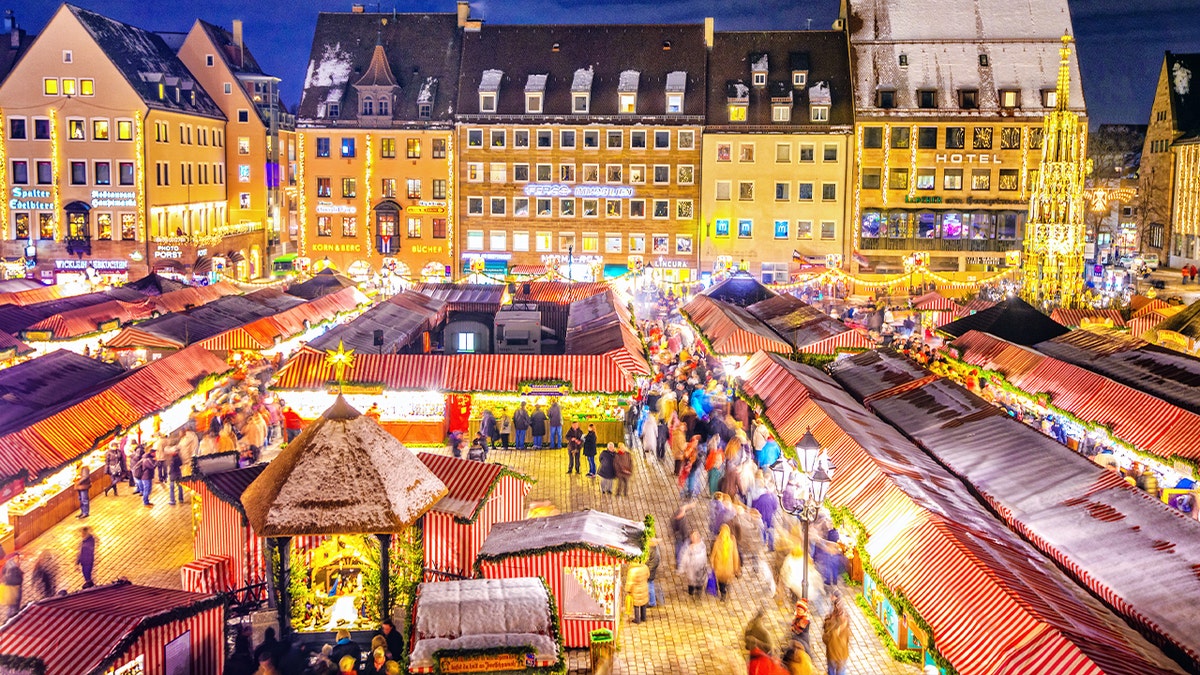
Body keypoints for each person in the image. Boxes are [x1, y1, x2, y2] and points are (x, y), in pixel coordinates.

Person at [710, 523, 740, 602]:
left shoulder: (717, 542)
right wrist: (736, 567)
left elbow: (712, 555)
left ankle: (723, 594)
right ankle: (726, 590)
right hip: (728, 568)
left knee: (721, 583)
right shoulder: (731, 543)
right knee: (727, 581)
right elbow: (735, 556)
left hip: (719, 568)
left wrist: (712, 564)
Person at [823, 595, 851, 675]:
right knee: (840, 672)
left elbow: (825, 638)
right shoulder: (845, 621)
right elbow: (848, 638)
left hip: (834, 654)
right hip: (840, 654)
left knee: (832, 671)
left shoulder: (829, 621)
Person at [678, 530, 709, 597]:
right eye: (692, 537)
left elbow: (702, 558)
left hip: (700, 570)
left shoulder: (702, 546)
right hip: (691, 571)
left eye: (694, 537)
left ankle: (698, 596)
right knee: (691, 587)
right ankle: (691, 595)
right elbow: (684, 557)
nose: (693, 539)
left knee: (699, 586)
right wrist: (682, 568)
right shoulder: (688, 546)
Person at [626, 559, 650, 623]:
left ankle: (637, 619)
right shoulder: (645, 567)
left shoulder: (632, 570)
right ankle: (643, 617)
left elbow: (630, 582)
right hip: (644, 587)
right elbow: (648, 575)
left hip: (635, 590)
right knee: (643, 604)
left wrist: (628, 590)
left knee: (636, 605)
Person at [1, 554, 22, 619]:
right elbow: (15, 580)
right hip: (14, 588)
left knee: (12, 605)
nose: (19, 560)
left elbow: (3, 573)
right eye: (17, 558)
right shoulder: (13, 568)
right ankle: (12, 618)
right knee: (14, 605)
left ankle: (12, 616)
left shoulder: (8, 564)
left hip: (11, 588)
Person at [645, 537, 661, 608]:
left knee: (650, 586)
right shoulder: (651, 549)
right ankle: (652, 600)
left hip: (650, 573)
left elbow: (653, 564)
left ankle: (652, 602)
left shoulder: (654, 553)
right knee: (650, 586)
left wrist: (647, 570)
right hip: (649, 571)